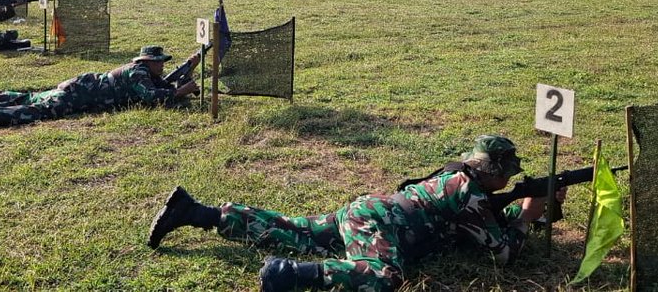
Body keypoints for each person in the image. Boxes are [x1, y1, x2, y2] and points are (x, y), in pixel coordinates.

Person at [146, 135, 568, 292]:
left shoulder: (456, 178)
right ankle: (290, 275)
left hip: (366, 209)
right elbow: (503, 253)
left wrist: (536, 208)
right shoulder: (473, 197)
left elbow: (487, 217)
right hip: (379, 223)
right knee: (383, 276)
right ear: (491, 170)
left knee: (299, 230)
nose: (510, 178)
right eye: (506, 171)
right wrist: (526, 218)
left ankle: (197, 213)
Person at [0, 45, 203, 131]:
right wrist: (180, 91)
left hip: (80, 86)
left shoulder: (141, 71)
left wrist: (190, 66)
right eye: (160, 62)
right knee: (37, 110)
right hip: (79, 95)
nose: (162, 66)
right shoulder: (138, 73)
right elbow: (151, 97)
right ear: (149, 62)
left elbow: (163, 85)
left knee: (32, 96)